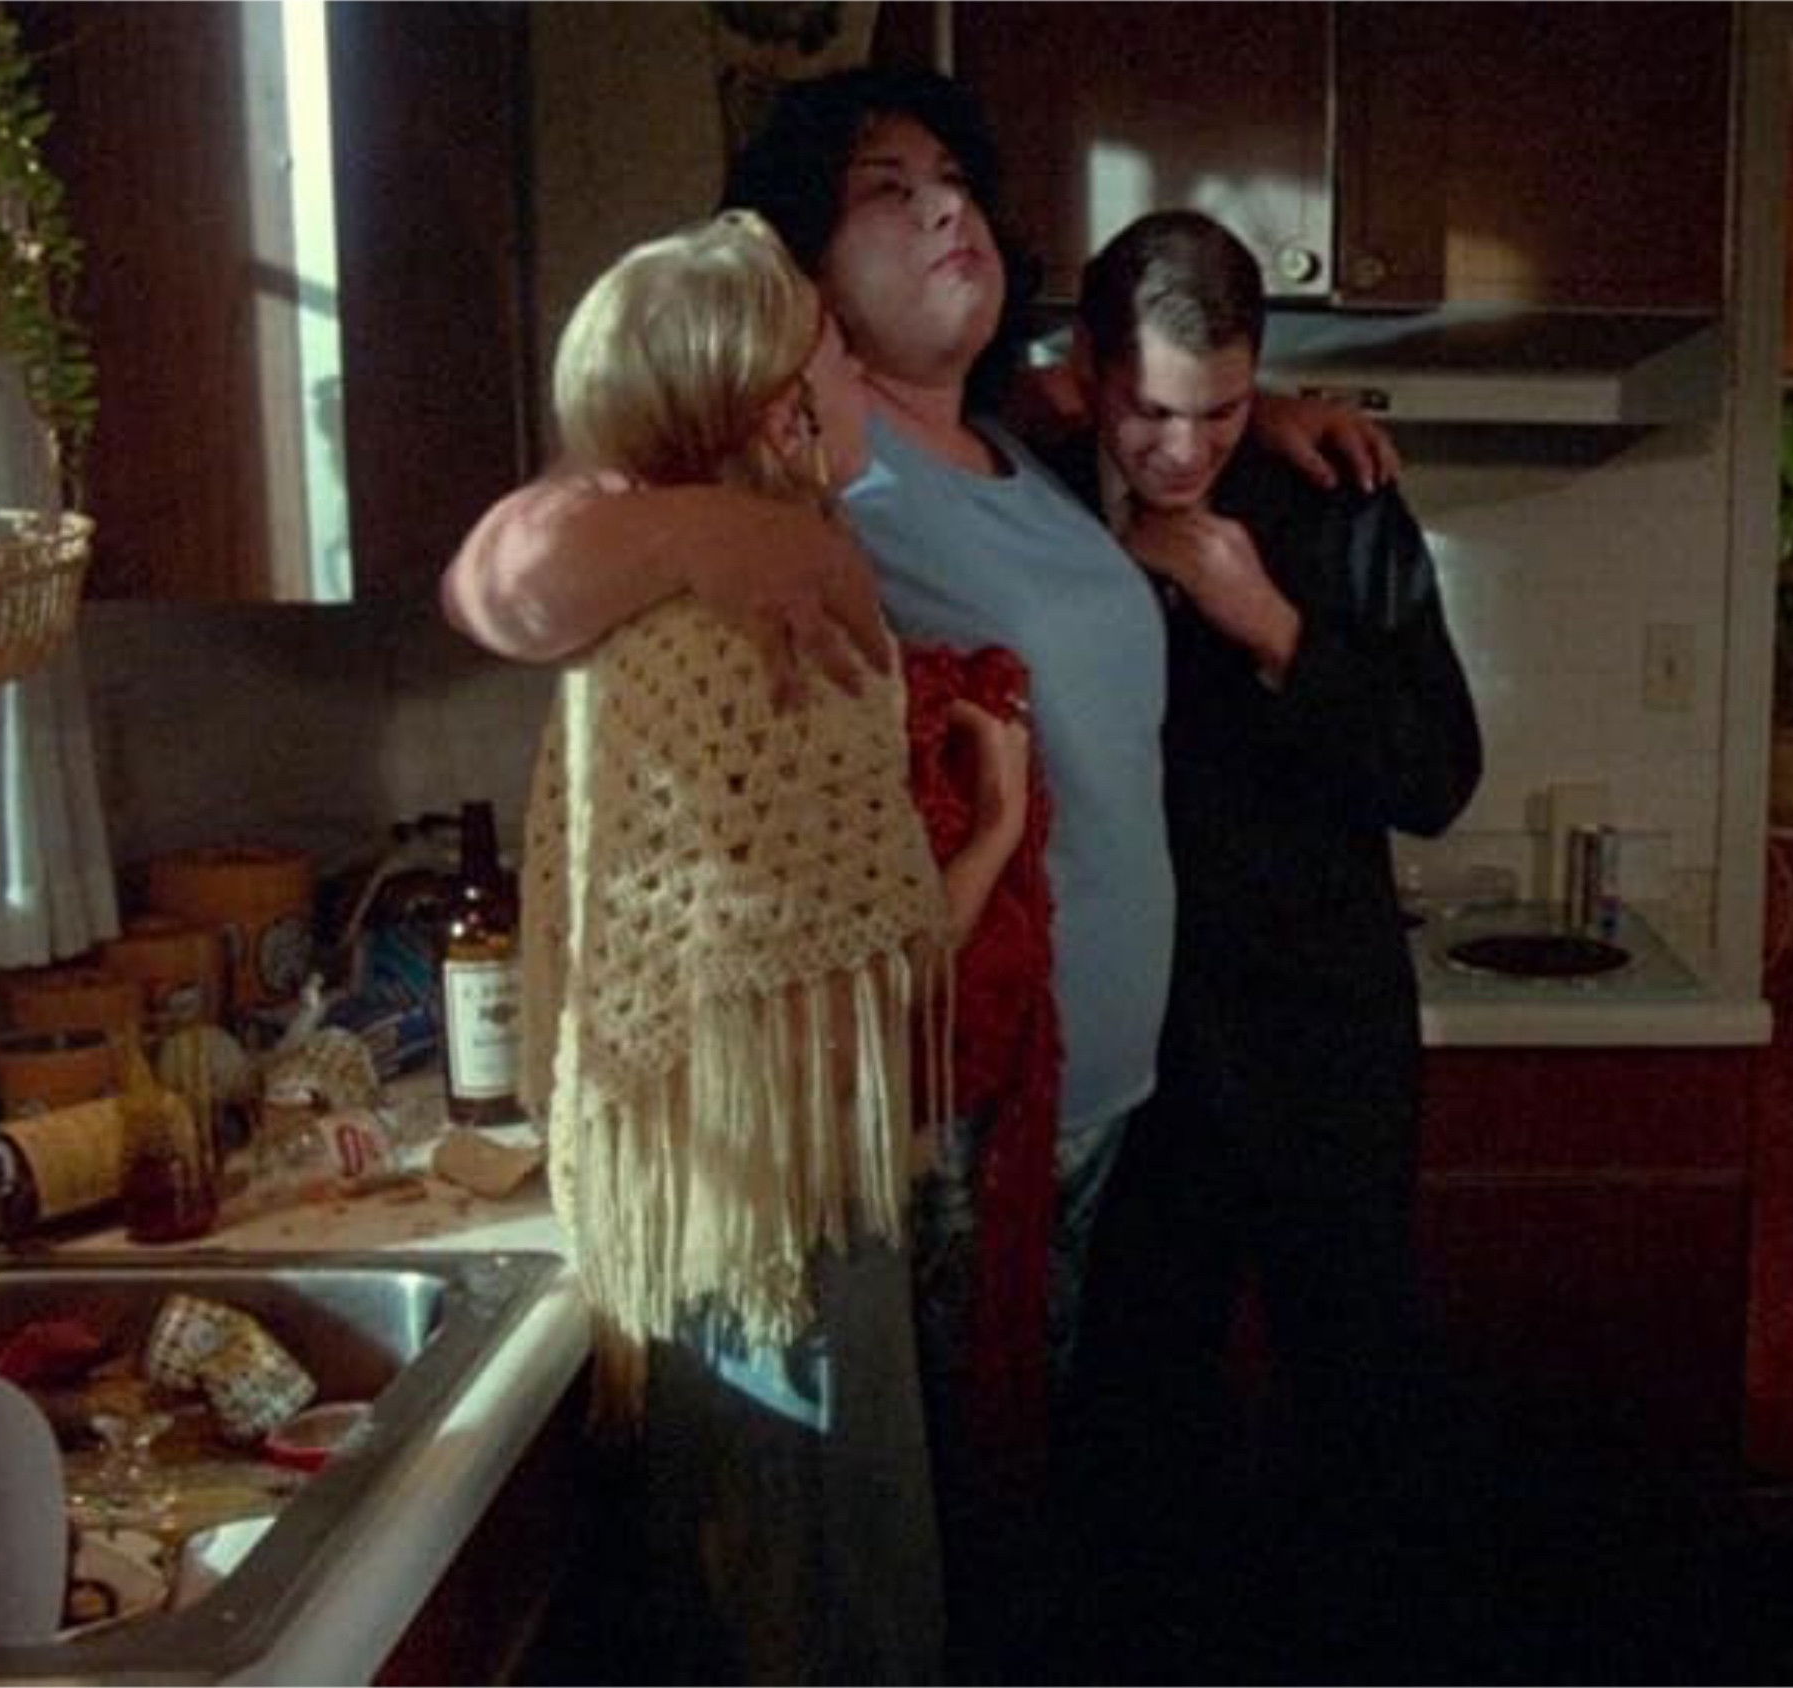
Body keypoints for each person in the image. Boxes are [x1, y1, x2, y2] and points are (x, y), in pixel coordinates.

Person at [439, 66, 1401, 1675]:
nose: (945, 203)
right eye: (886, 189)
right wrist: (693, 535)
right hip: (956, 1116)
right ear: (801, 282)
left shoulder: (1015, 439)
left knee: (1032, 1534)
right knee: (930, 1571)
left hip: (1100, 1107)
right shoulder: (794, 461)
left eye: (953, 176)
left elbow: (1143, 402)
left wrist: (1259, 423)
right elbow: (497, 580)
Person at [515, 209, 1031, 1684]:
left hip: (688, 1212)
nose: (862, 377)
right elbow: (883, 967)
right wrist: (995, 825)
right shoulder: (788, 627)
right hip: (786, 1227)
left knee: (730, 1604)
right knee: (832, 1624)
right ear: (777, 412)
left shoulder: (642, 612)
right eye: (837, 358)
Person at [1047, 210, 1482, 1670]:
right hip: (1125, 1062)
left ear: (1261, 379)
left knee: (1361, 1406)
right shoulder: (1027, 490)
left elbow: (1438, 773)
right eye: (1150, 411)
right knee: (1131, 1420)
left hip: (1320, 1044)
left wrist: (1271, 624)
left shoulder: (1335, 500)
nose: (1183, 449)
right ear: (1089, 371)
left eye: (1223, 409)